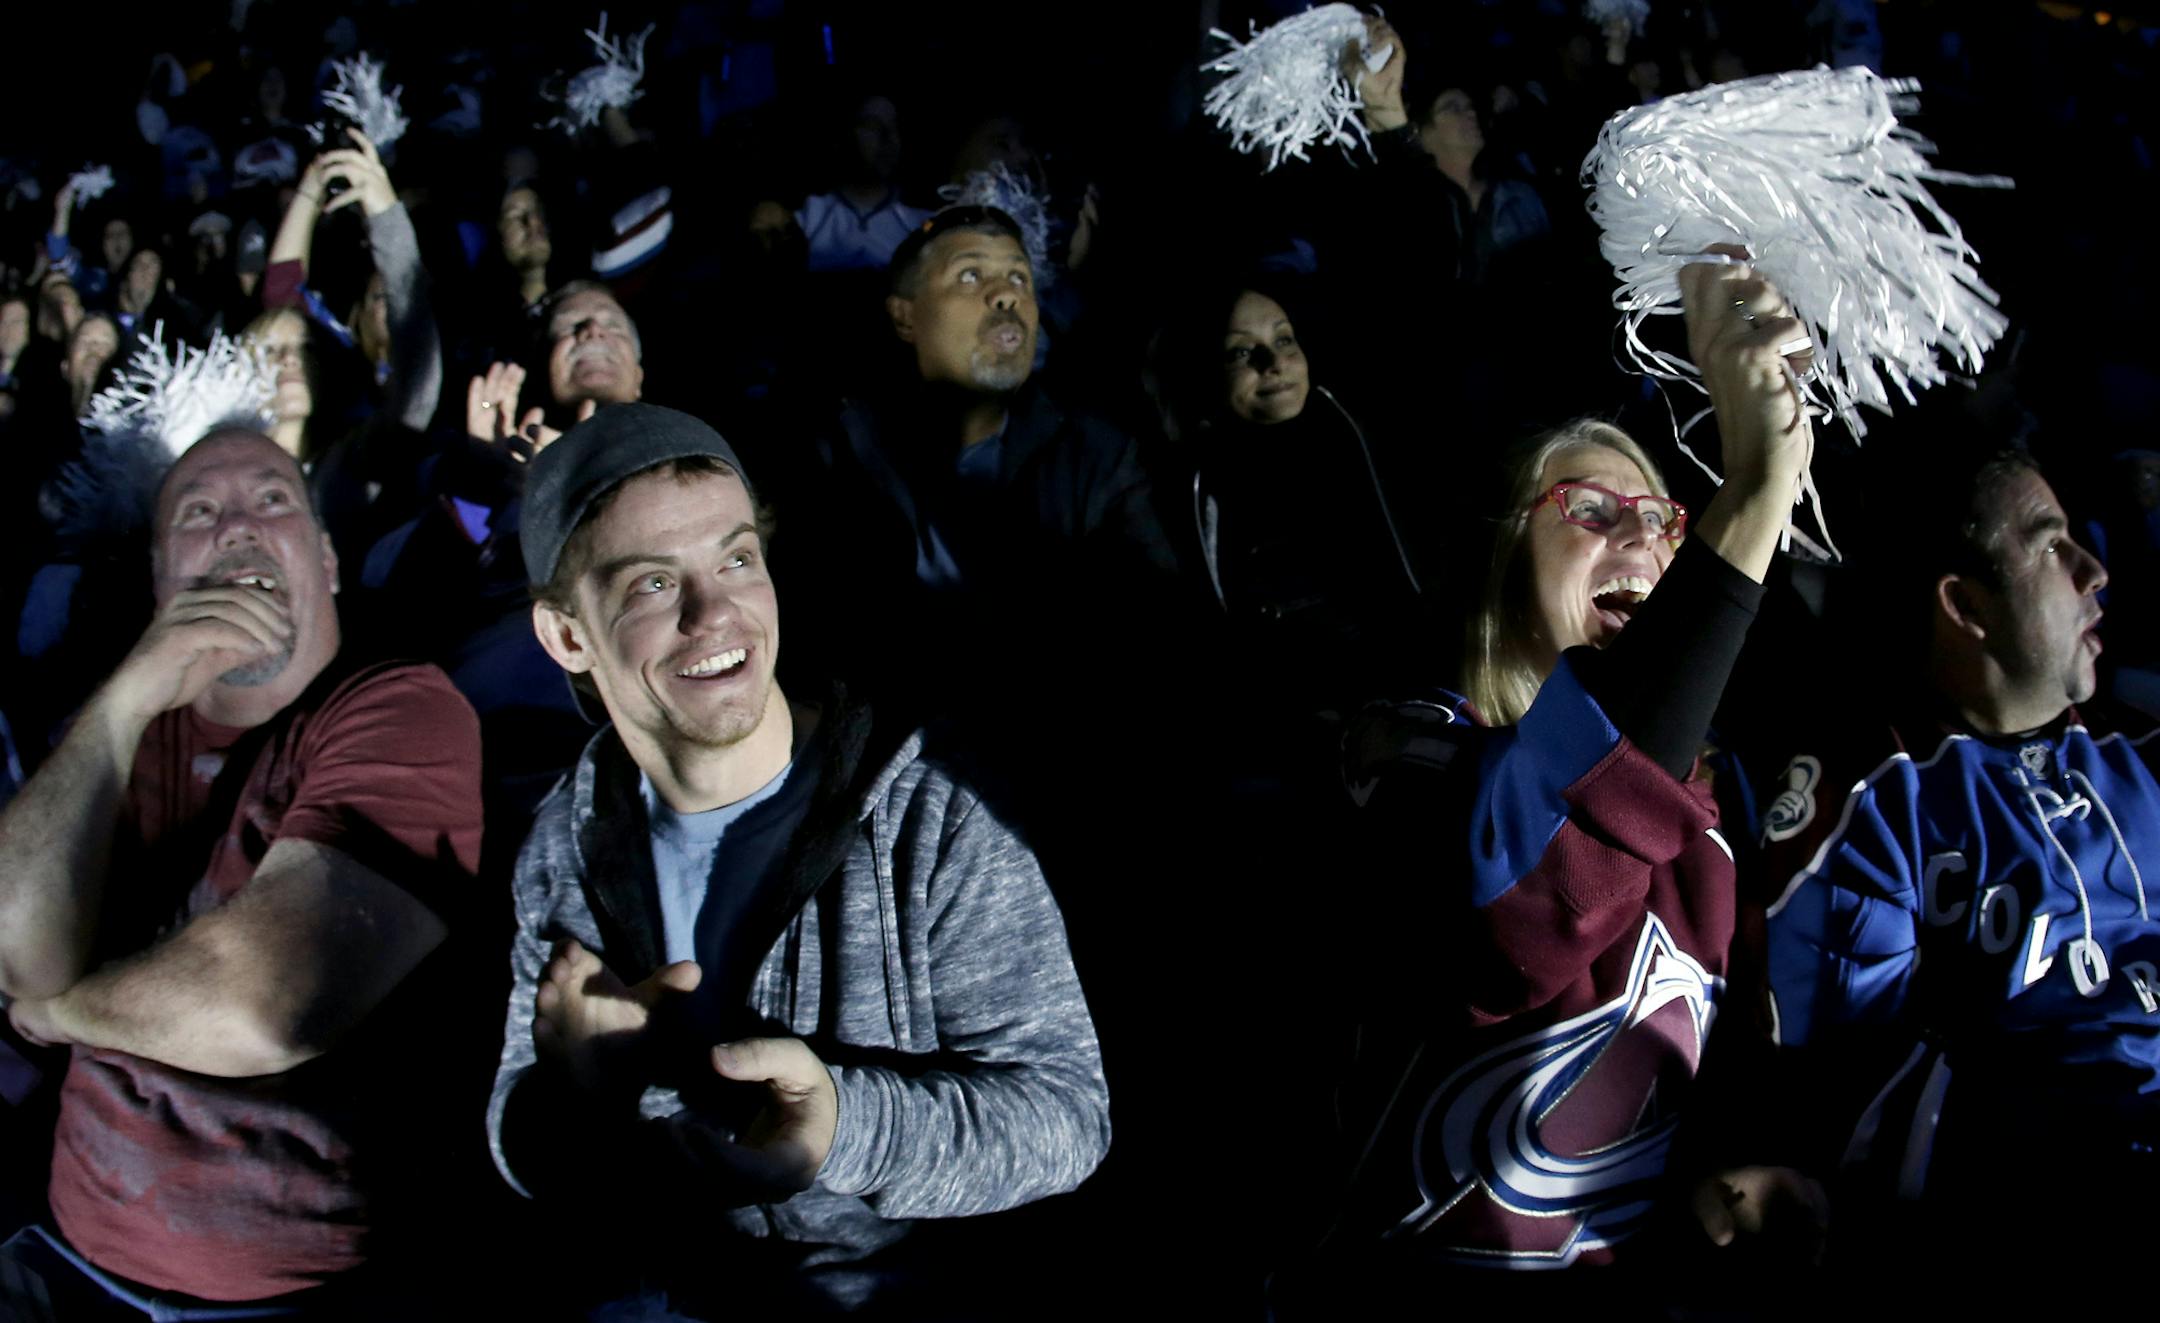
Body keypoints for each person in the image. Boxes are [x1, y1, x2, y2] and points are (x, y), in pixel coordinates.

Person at [489, 403, 1109, 1313]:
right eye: (654, 584)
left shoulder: (933, 819)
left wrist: (843, 1129)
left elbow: (1066, 1117)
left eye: (738, 559)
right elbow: (519, 1130)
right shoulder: (563, 843)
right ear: (567, 637)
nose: (718, 614)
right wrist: (580, 1097)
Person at [1290, 252, 1821, 1302]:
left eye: (1668, 520)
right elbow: (1533, 902)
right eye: (1587, 509)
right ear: (1503, 563)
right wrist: (1755, 492)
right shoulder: (1398, 749)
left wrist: (1757, 1163)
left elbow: (1725, 1061)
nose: (1640, 530)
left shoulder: (1720, 812)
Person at [0, 424, 485, 1311]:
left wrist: (60, 1010)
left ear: (328, 560)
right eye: (199, 512)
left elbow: (266, 1003)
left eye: (272, 501)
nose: (237, 528)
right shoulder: (116, 728)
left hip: (293, 1295)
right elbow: (14, 952)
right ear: (159, 577)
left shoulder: (401, 707)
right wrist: (126, 698)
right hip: (66, 1253)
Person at [1757, 442, 2160, 1257]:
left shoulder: (2143, 758)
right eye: (2051, 546)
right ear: (1967, 606)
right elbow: (1851, 1110)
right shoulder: (1870, 804)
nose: (2094, 571)